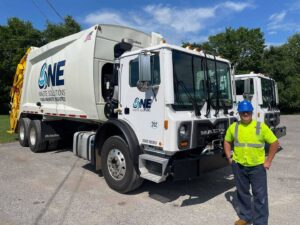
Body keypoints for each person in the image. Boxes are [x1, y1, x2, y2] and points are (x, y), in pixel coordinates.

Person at [224, 100, 279, 225]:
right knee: (242, 193)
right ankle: (245, 217)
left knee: (260, 196)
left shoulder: (260, 127)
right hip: (239, 166)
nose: (245, 114)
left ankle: (260, 222)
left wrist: (268, 161)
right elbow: (227, 141)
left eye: (247, 112)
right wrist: (229, 157)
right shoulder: (234, 127)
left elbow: (275, 143)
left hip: (257, 167)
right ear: (239, 113)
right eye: (243, 112)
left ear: (251, 112)